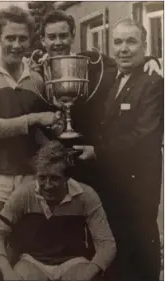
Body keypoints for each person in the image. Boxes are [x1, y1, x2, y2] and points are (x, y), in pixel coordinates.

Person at [0, 5, 60, 281]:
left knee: (22, 246)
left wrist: (55, 131)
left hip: (28, 175)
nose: (16, 44)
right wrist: (37, 117)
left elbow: (39, 132)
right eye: (10, 38)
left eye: (22, 38)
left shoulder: (36, 78)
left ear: (30, 39)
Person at [74, 18, 164, 281]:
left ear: (145, 45)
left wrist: (98, 152)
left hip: (138, 185)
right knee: (117, 248)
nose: (124, 48)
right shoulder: (115, 78)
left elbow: (144, 135)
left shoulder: (153, 82)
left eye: (131, 41)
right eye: (118, 42)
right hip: (113, 183)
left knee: (140, 249)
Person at [34, 9, 161, 185]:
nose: (58, 42)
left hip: (93, 164)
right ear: (43, 40)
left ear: (72, 36)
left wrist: (150, 59)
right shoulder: (36, 73)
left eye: (63, 36)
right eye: (52, 37)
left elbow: (124, 62)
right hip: (55, 166)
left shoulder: (92, 62)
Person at [0, 140, 116, 281]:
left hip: (72, 262)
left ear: (67, 177)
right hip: (33, 261)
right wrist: (8, 272)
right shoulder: (25, 193)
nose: (47, 185)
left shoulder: (86, 195)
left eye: (54, 178)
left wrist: (88, 273)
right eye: (42, 178)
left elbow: (106, 244)